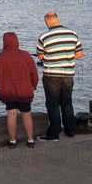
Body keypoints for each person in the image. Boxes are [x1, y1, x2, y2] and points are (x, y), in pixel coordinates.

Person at [36, 12, 84, 141]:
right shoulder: (72, 34)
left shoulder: (44, 36)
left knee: (53, 104)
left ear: (47, 22)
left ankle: (54, 134)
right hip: (68, 74)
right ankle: (70, 130)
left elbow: (40, 56)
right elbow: (79, 54)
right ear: (57, 20)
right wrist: (66, 57)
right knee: (67, 103)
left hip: (51, 75)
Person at [0, 32, 39, 148]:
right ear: (16, 41)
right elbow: (33, 73)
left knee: (11, 114)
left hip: (8, 92)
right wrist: (34, 85)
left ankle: (13, 141)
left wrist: (1, 88)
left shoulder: (0, 57)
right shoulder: (25, 55)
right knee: (26, 114)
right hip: (24, 91)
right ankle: (30, 140)